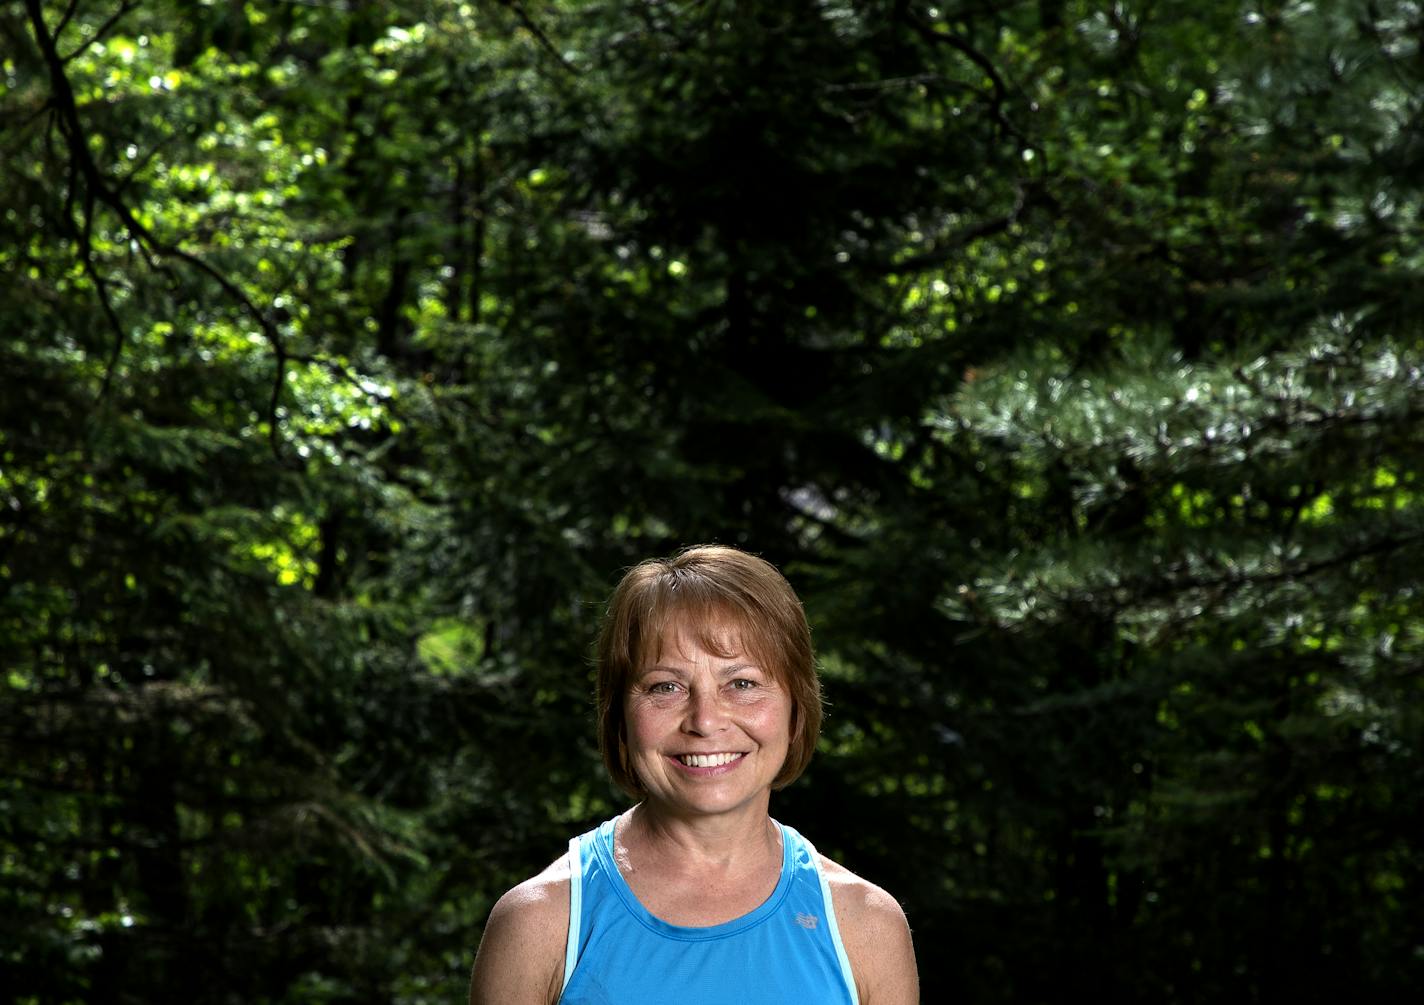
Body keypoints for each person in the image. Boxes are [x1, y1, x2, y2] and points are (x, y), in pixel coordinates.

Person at [469, 545, 919, 1004]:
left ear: (796, 711)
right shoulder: (541, 924)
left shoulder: (864, 927)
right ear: (619, 717)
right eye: (666, 687)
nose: (705, 721)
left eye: (741, 684)